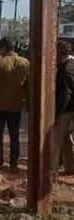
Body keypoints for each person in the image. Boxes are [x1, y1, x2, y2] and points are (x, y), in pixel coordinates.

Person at [0, 37, 29, 172]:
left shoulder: (0, 63)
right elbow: (28, 85)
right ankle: (13, 164)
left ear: (4, 48)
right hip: (16, 105)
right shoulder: (25, 63)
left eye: (0, 48)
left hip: (0, 105)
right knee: (14, 135)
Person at [52, 41, 74, 176]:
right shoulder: (69, 65)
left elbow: (65, 95)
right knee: (68, 140)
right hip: (71, 110)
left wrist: (57, 113)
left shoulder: (66, 70)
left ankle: (51, 172)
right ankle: (70, 168)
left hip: (65, 111)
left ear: (60, 52)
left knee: (55, 143)